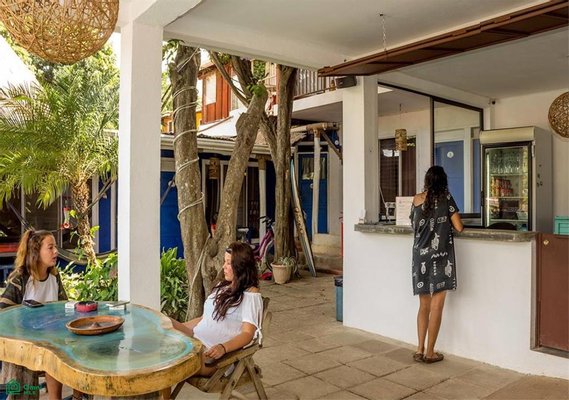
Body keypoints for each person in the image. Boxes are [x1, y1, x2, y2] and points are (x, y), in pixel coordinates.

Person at [172, 241, 263, 376]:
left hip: (211, 355)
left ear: (240, 266)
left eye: (228, 263)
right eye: (224, 262)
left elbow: (247, 334)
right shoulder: (223, 287)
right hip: (194, 341)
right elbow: (204, 319)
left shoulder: (250, 295)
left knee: (168, 364)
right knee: (161, 322)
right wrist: (177, 327)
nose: (223, 266)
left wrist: (223, 348)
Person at [0, 229, 67, 400]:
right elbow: (3, 313)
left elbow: (64, 309)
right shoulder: (20, 279)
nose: (56, 252)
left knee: (58, 354)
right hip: (23, 345)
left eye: (55, 247)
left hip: (49, 342)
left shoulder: (54, 277)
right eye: (50, 247)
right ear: (36, 252)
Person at [410, 166, 463, 364]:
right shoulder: (446, 199)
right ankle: (430, 352)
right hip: (440, 258)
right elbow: (459, 226)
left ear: (427, 180)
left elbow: (413, 225)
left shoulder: (416, 199)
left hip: (419, 257)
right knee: (437, 306)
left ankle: (419, 349)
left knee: (423, 306)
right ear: (443, 181)